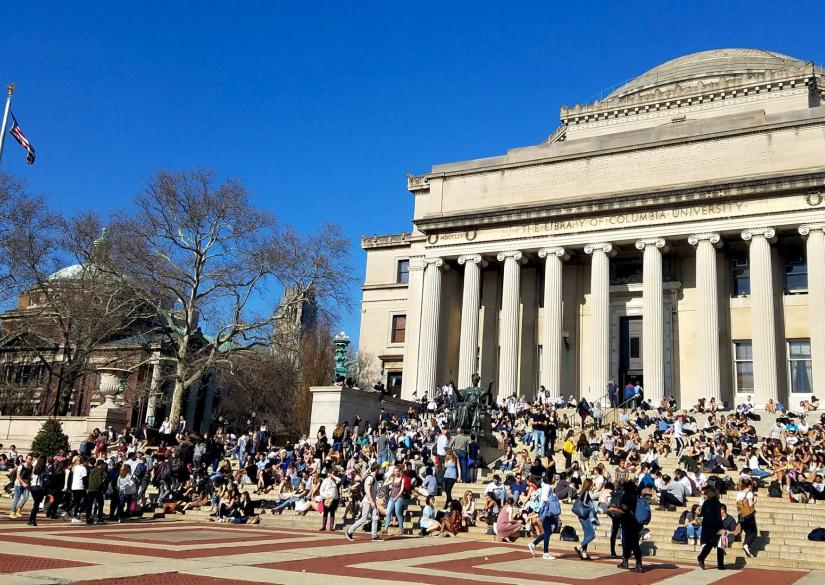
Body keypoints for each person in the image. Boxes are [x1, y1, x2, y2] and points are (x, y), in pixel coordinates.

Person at [345, 463, 381, 542]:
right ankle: (349, 531)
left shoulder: (373, 478)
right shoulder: (370, 478)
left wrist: (373, 501)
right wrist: (371, 501)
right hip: (368, 502)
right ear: (376, 469)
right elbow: (367, 490)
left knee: (375, 518)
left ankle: (374, 535)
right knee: (363, 519)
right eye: (379, 469)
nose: (380, 471)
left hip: (372, 501)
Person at [528, 472, 560, 559]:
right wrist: (552, 501)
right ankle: (545, 553)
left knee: (548, 532)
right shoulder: (547, 487)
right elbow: (544, 498)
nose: (555, 479)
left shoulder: (546, 487)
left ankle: (533, 544)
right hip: (547, 512)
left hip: (546, 511)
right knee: (547, 532)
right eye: (553, 477)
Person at [697, 485, 726, 570]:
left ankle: (701, 557)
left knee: (710, 543)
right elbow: (718, 517)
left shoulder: (706, 502)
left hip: (706, 525)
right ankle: (720, 565)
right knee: (720, 545)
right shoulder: (717, 503)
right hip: (715, 526)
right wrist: (722, 527)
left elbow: (702, 514)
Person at [736, 477, 758, 558]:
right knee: (754, 532)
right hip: (749, 515)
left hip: (741, 516)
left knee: (747, 532)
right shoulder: (749, 494)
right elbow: (750, 505)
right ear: (749, 485)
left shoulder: (738, 494)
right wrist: (755, 501)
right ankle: (746, 545)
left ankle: (746, 546)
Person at [574, 478, 595, 560]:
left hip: (581, 515)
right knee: (592, 535)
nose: (593, 486)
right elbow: (584, 503)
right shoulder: (586, 493)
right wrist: (590, 507)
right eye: (592, 484)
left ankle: (584, 553)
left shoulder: (581, 492)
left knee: (587, 535)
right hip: (585, 515)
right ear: (589, 485)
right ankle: (579, 547)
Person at [26, 456, 47, 527]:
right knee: (36, 505)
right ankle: (31, 519)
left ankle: (33, 520)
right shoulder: (44, 468)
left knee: (36, 504)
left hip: (32, 487)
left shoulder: (33, 467)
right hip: (39, 487)